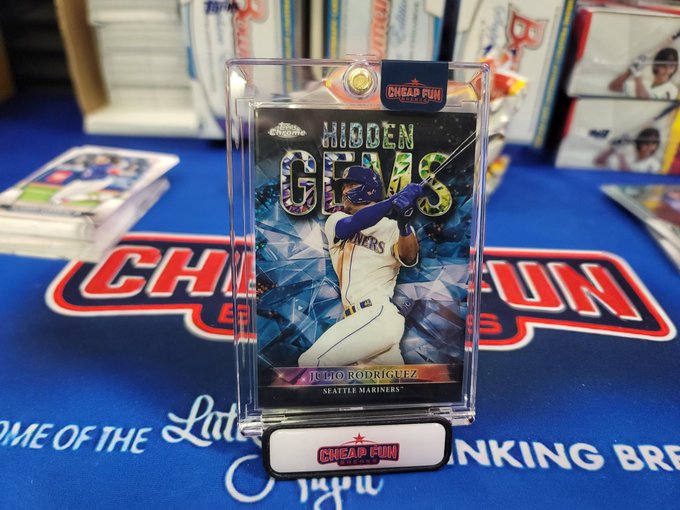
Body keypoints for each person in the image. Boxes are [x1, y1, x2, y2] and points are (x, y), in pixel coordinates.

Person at [297, 165, 423, 367]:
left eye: (350, 185)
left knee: (312, 363)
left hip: (377, 315)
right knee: (391, 382)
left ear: (369, 189)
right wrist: (392, 201)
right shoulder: (337, 220)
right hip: (357, 321)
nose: (345, 191)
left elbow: (409, 257)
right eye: (343, 187)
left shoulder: (391, 228)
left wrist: (404, 225)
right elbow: (352, 225)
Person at [49, 155, 123, 205]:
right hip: (83, 182)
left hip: (89, 182)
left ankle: (104, 197)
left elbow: (115, 171)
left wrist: (114, 171)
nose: (98, 158)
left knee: (60, 196)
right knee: (69, 196)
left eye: (101, 157)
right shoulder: (97, 165)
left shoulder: (108, 166)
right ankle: (103, 197)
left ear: (107, 160)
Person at [608, 47, 679, 100]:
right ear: (656, 66)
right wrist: (630, 70)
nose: (667, 71)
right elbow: (613, 87)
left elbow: (645, 102)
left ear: (675, 68)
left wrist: (637, 75)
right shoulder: (644, 83)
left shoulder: (672, 90)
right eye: (663, 66)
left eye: (671, 67)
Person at [594, 127, 662, 173]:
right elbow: (598, 162)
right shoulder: (628, 152)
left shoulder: (654, 164)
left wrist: (621, 156)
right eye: (646, 143)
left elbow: (630, 177)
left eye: (654, 143)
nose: (650, 147)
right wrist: (613, 148)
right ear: (639, 142)